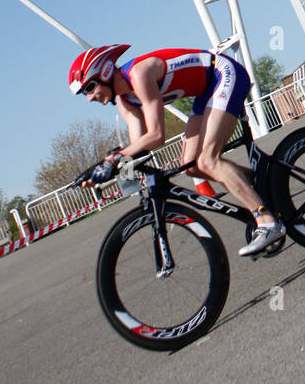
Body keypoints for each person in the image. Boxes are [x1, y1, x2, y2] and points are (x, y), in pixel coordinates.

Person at [68, 40, 284, 256]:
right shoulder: (125, 102)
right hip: (206, 91)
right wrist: (107, 171)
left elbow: (156, 135)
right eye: (84, 94)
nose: (89, 98)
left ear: (105, 71)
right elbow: (138, 149)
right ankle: (261, 183)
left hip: (224, 73)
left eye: (89, 88)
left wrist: (112, 160)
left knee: (208, 160)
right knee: (191, 166)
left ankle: (267, 221)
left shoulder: (139, 74)